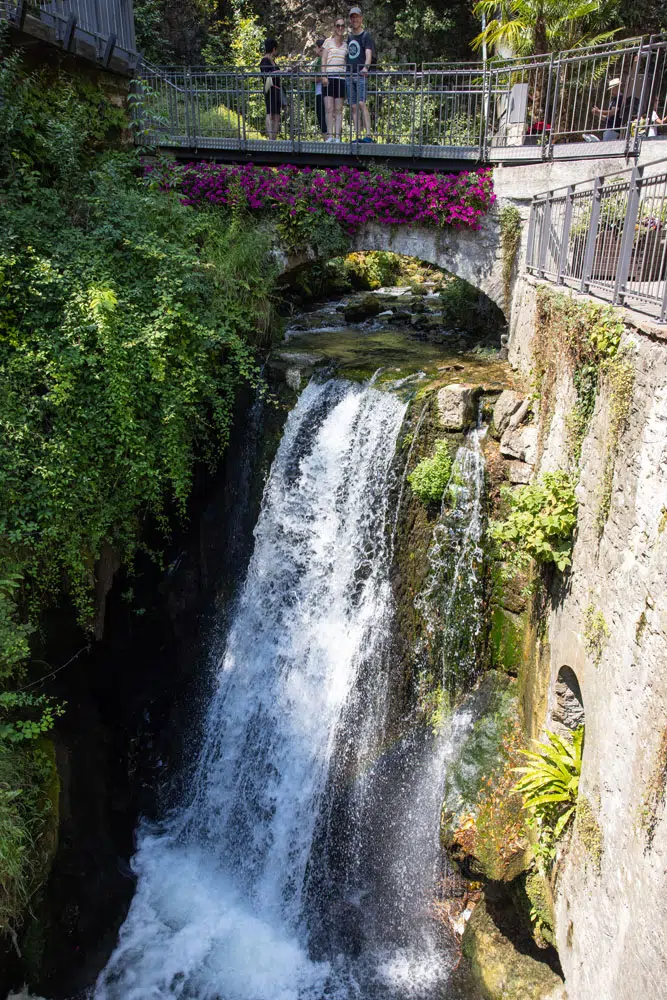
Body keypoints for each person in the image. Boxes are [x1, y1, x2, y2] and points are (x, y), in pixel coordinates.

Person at [347, 5, 374, 143]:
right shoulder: (349, 36)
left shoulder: (365, 35)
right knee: (353, 106)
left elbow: (368, 53)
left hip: (360, 73)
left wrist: (366, 68)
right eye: (352, 18)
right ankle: (357, 135)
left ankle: (368, 135)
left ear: (361, 19)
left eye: (356, 17)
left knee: (362, 103)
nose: (354, 20)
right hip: (349, 74)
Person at [321, 20, 348, 142]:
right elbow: (324, 60)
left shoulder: (346, 45)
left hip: (341, 79)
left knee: (338, 109)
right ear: (334, 27)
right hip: (329, 78)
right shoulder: (328, 42)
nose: (340, 28)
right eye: (338, 25)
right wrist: (323, 75)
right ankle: (330, 136)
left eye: (342, 26)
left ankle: (337, 137)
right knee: (328, 108)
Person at [260, 38, 283, 141]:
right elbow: (265, 74)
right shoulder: (265, 60)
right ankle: (271, 137)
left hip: (277, 89)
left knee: (277, 114)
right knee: (270, 113)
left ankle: (274, 137)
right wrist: (280, 72)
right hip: (270, 89)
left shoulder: (273, 61)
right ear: (273, 49)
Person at [312, 39, 327, 137]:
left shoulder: (322, 60)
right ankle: (327, 138)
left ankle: (327, 138)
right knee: (321, 115)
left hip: (322, 91)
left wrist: (308, 78)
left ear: (320, 48)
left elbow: (319, 77)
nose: (315, 50)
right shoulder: (319, 60)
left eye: (316, 47)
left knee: (322, 115)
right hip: (319, 91)